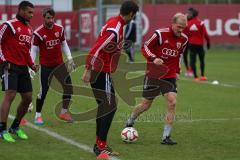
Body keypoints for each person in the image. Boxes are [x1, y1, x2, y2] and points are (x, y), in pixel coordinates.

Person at [82, 1, 139, 158]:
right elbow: (97, 48)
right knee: (110, 106)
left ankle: (99, 144)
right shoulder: (115, 28)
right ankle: (101, 145)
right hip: (101, 70)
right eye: (134, 16)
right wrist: (88, 69)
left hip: (102, 70)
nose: (133, 18)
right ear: (131, 14)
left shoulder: (114, 22)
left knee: (104, 105)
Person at [125, 13, 188, 145]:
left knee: (172, 102)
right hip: (153, 74)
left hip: (169, 75)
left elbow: (179, 55)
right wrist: (154, 58)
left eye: (183, 28)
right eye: (179, 27)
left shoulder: (184, 39)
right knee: (145, 105)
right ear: (172, 23)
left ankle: (166, 137)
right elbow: (145, 47)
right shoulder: (160, 34)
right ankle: (130, 120)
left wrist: (177, 69)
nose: (181, 30)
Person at [0, 1, 37, 143]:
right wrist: (3, 61)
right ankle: (2, 129)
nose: (31, 15)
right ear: (21, 10)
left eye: (32, 13)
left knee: (27, 98)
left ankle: (15, 127)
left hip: (23, 67)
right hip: (9, 65)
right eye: (29, 12)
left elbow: (26, 50)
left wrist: (32, 65)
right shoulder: (9, 25)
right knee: (10, 94)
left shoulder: (29, 28)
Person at [30, 8, 76, 125]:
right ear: (43, 18)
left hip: (59, 65)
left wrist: (70, 59)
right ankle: (38, 115)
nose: (50, 20)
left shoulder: (59, 29)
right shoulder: (38, 33)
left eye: (52, 18)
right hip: (45, 66)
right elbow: (34, 50)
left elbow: (64, 44)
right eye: (48, 18)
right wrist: (31, 64)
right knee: (43, 91)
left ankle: (64, 112)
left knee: (68, 87)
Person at [186, 7, 210, 81]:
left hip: (191, 44)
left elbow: (185, 34)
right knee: (201, 60)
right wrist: (208, 43)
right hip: (200, 44)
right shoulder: (201, 23)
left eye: (189, 13)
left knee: (193, 60)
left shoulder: (188, 24)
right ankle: (202, 75)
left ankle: (196, 77)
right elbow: (206, 34)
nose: (188, 14)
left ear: (193, 14)